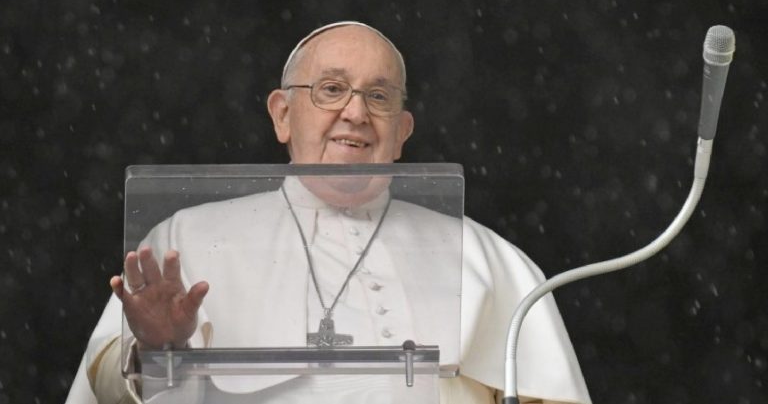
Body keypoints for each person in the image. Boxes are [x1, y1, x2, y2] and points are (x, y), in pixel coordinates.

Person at [65, 21, 592, 404]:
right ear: (282, 115)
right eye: (332, 89)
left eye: (378, 96)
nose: (356, 112)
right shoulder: (188, 239)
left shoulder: (486, 257)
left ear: (402, 133)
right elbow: (105, 390)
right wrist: (156, 349)